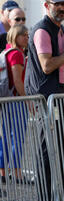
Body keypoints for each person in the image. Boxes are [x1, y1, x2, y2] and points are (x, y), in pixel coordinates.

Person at [25, 0, 64, 201]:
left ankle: (61, 200)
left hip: (61, 95)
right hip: (46, 97)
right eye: (56, 4)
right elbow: (47, 66)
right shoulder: (42, 30)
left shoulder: (60, 31)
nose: (61, 8)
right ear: (46, 5)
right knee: (47, 150)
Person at [0, 25, 29, 184]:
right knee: (17, 138)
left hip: (6, 100)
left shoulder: (6, 52)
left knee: (6, 137)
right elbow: (18, 81)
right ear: (15, 36)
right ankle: (17, 173)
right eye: (23, 35)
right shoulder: (17, 54)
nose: (26, 37)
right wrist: (27, 100)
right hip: (16, 100)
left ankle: (3, 172)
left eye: (27, 35)